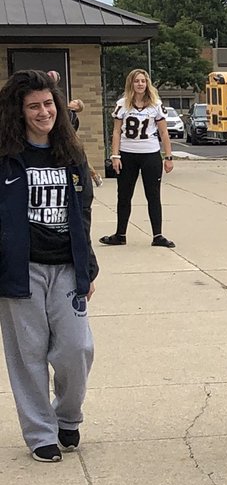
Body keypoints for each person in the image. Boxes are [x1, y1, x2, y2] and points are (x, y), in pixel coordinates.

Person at [0, 70, 98, 462]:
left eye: (48, 103)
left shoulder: (70, 152)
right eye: (33, 106)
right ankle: (40, 433)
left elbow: (84, 212)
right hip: (19, 270)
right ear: (18, 112)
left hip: (66, 267)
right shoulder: (6, 157)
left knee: (77, 349)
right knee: (28, 356)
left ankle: (67, 417)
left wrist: (87, 266)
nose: (44, 112)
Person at [99, 68, 176, 248]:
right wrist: (115, 155)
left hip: (150, 153)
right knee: (124, 195)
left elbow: (164, 132)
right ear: (131, 84)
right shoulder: (123, 104)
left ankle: (158, 235)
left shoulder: (155, 105)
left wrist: (168, 156)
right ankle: (120, 234)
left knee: (153, 195)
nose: (140, 84)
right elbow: (116, 131)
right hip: (128, 153)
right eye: (136, 81)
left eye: (143, 81)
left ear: (147, 83)